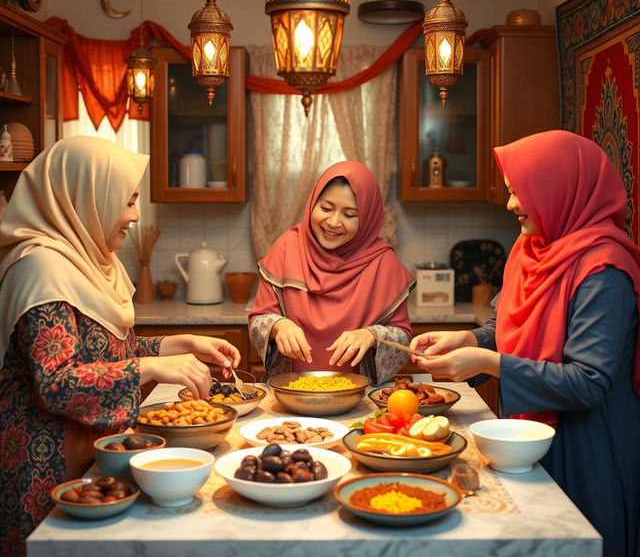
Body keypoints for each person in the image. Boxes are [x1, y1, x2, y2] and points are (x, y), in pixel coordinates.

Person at [0, 136, 241, 556]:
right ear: (86, 194)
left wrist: (175, 344)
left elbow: (102, 352)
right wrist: (147, 369)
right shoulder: (40, 268)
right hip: (44, 466)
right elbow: (55, 383)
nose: (134, 215)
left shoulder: (89, 259)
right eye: (126, 201)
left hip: (88, 455)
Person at [409, 130, 640, 557]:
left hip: (586, 443)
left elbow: (588, 382)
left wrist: (488, 361)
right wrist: (469, 337)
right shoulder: (531, 247)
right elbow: (507, 324)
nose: (511, 203)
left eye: (521, 193)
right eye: (512, 192)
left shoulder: (604, 270)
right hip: (529, 430)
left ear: (559, 190)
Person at [249, 161, 414, 384]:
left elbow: (403, 339)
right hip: (289, 392)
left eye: (349, 214)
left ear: (367, 218)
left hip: (359, 398)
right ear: (312, 204)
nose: (333, 222)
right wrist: (278, 326)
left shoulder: (384, 263)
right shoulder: (287, 247)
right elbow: (258, 320)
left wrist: (372, 335)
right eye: (326, 208)